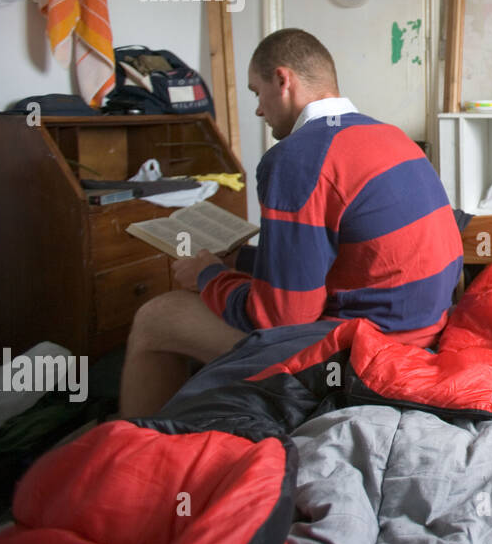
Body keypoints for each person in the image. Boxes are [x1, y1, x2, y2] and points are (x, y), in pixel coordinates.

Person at [118, 28, 463, 418]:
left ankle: (136, 451)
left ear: (282, 80)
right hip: (423, 335)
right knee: (227, 290)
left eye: (255, 91)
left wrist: (207, 275)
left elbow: (280, 318)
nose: (259, 110)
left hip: (368, 358)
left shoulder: (296, 157)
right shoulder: (390, 136)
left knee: (157, 317)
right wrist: (240, 264)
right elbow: (344, 258)